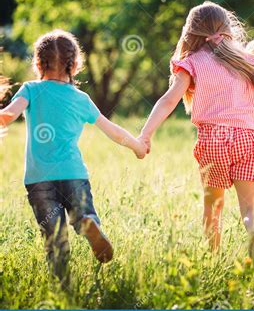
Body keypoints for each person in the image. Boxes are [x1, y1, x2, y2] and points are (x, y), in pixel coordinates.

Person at [138, 1, 254, 272]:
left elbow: (168, 100)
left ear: (190, 34)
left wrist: (145, 134)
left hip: (213, 142)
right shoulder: (243, 59)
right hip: (247, 139)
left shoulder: (191, 63)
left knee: (214, 208)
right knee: (250, 209)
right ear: (227, 28)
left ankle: (214, 262)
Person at [0, 30, 147, 282]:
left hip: (39, 180)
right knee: (83, 214)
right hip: (73, 174)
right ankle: (86, 222)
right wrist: (137, 146)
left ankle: (63, 288)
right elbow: (112, 131)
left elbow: (9, 115)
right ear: (75, 64)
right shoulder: (81, 99)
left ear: (37, 62)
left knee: (55, 239)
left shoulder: (31, 90)